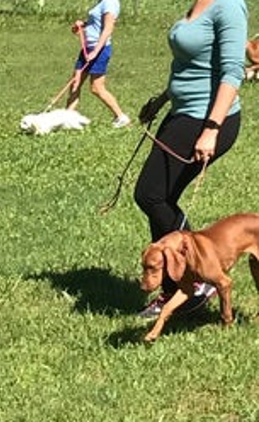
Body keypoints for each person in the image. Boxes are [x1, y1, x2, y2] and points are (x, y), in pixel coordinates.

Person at [134, 0, 248, 318]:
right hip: (181, 114)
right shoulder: (199, 4)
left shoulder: (229, 7)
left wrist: (212, 128)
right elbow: (191, 65)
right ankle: (179, 284)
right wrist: (161, 101)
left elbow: (231, 72)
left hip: (205, 120)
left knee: (151, 194)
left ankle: (196, 280)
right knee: (160, 197)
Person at [66, 0, 130, 128]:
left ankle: (121, 117)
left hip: (99, 50)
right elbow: (96, 23)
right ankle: (67, 119)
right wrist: (83, 25)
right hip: (88, 48)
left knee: (96, 88)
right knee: (75, 83)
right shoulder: (101, 2)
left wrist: (95, 52)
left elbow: (108, 28)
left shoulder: (110, 3)